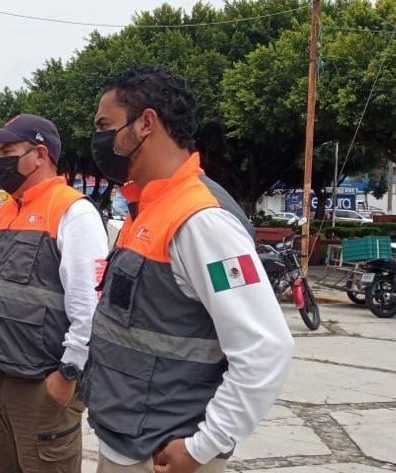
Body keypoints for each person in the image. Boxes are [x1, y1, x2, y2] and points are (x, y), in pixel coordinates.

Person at [79, 65, 294, 473]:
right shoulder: (147, 209)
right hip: (125, 440)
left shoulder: (202, 222)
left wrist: (203, 446)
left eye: (105, 125)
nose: (99, 139)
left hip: (162, 457)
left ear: (145, 123)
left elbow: (266, 348)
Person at [0, 114, 110, 472]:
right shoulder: (0, 215)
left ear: (40, 155)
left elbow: (90, 305)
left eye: (7, 150)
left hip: (41, 387)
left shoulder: (73, 212)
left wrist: (69, 375)